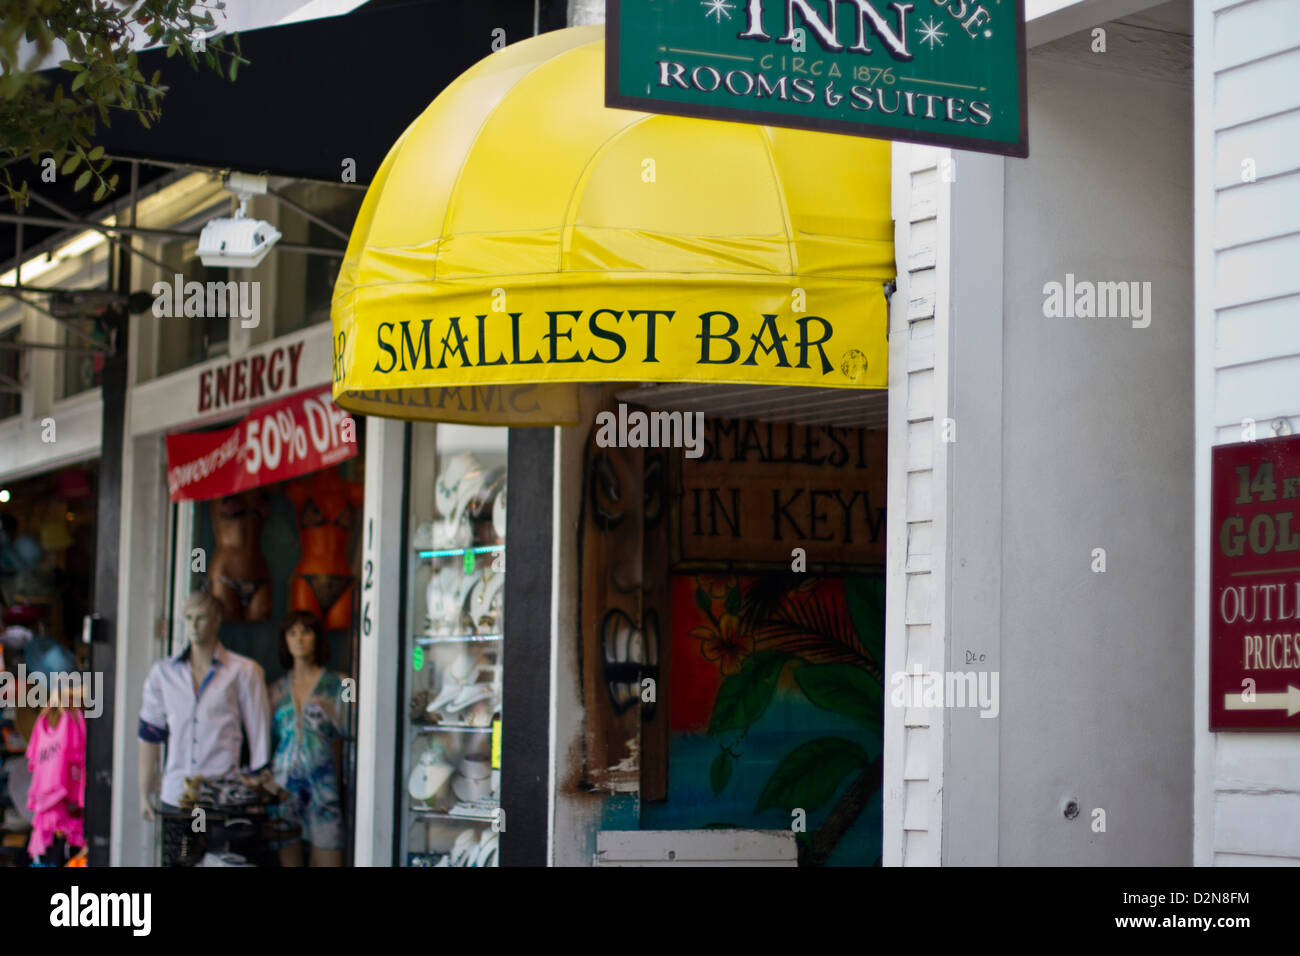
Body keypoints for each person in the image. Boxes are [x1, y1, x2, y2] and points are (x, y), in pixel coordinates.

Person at [138, 589, 270, 865]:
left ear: (217, 620)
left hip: (224, 796)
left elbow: (258, 733)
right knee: (176, 862)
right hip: (177, 794)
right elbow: (150, 732)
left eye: (201, 618)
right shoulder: (164, 674)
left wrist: (259, 779)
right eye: (188, 618)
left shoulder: (243, 671)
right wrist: (144, 790)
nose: (194, 626)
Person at [268, 611, 345, 867]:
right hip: (283, 789)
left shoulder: (339, 684)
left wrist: (332, 711)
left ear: (318, 637)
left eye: (306, 632)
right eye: (292, 633)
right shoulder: (276, 690)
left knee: (329, 857)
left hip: (324, 789)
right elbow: (266, 741)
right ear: (285, 640)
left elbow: (352, 733)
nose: (299, 639)